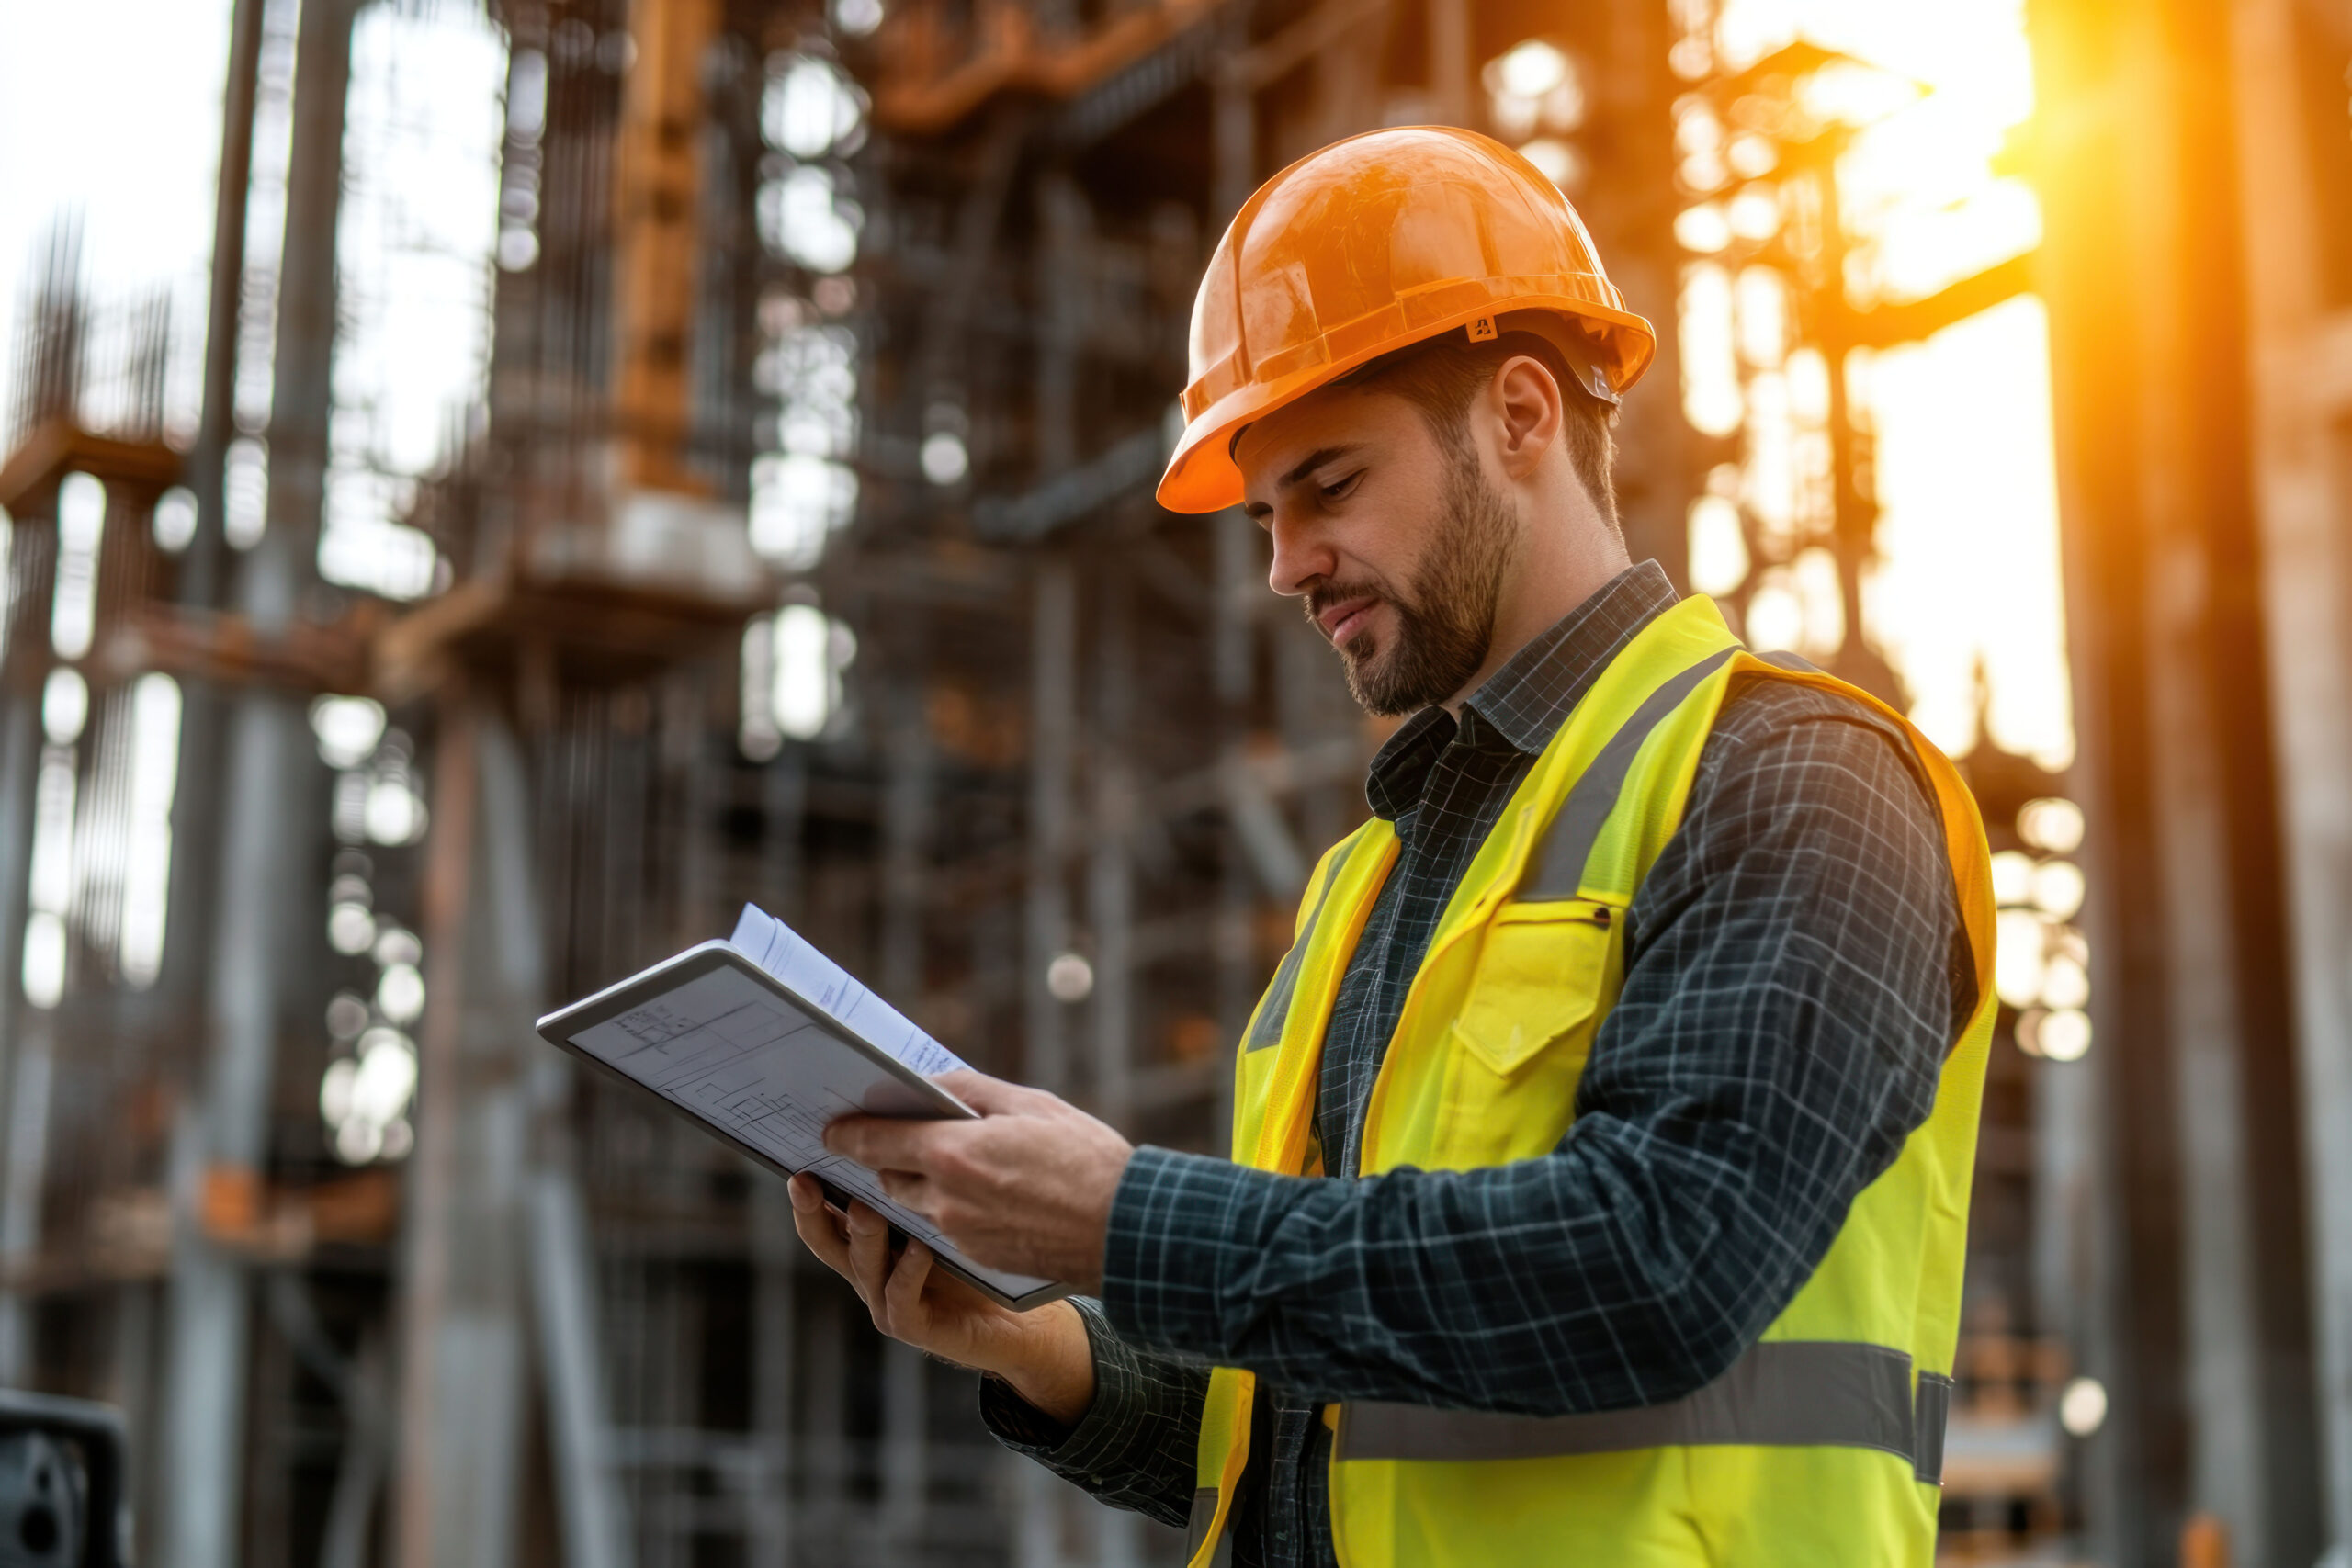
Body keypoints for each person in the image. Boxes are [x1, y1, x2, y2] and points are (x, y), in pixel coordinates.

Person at [791, 126, 1996, 1567]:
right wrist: (1039, 1340)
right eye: (1266, 513)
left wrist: (1123, 1218)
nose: (1286, 564)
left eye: (1332, 485)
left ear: (1523, 415)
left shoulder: (1797, 779)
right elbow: (1327, 1420)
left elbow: (1661, 1272)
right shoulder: (1367, 885)